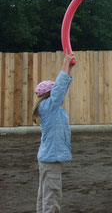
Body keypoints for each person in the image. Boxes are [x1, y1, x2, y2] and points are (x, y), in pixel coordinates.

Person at [32, 51, 76, 213]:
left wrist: (69, 69)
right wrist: (65, 65)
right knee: (52, 194)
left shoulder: (49, 108)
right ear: (49, 95)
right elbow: (60, 89)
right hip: (50, 159)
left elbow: (61, 89)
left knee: (44, 193)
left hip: (47, 157)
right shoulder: (49, 107)